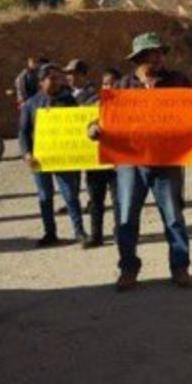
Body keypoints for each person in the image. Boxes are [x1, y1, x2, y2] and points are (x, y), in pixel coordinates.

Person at [90, 32, 192, 291]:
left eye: (159, 54)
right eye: (151, 55)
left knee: (173, 217)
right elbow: (101, 120)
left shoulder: (178, 81)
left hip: (167, 161)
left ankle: (180, 267)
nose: (157, 59)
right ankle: (128, 269)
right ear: (139, 58)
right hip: (130, 164)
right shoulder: (121, 87)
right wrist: (95, 129)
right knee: (127, 218)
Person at [19, 63, 87, 247]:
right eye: (52, 78)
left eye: (58, 78)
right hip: (40, 160)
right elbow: (24, 132)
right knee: (44, 197)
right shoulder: (31, 105)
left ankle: (79, 232)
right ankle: (50, 233)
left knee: (71, 196)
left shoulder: (69, 101)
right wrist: (26, 154)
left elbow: (77, 127)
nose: (57, 81)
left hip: (63, 157)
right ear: (41, 82)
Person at [64, 59, 117, 249]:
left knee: (118, 197)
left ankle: (120, 231)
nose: (70, 77)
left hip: (113, 156)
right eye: (68, 74)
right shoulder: (65, 96)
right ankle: (96, 235)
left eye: (74, 73)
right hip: (91, 156)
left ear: (84, 75)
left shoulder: (96, 95)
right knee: (95, 199)